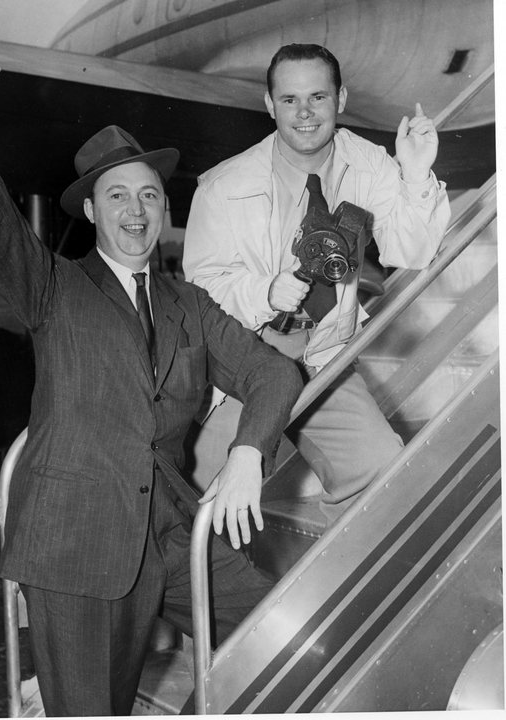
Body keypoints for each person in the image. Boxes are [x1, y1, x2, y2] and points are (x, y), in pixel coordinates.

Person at [0, 24, 303, 717]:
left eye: (150, 196)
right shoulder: (54, 287)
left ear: (165, 210)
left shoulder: (189, 302)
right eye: (118, 196)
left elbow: (273, 373)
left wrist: (246, 453)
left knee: (286, 633)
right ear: (91, 211)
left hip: (174, 533)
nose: (136, 211)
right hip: (77, 540)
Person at [183, 43, 451, 521]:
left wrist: (414, 171)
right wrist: (264, 291)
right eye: (289, 100)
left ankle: (344, 590)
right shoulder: (223, 186)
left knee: (382, 469)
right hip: (242, 354)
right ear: (269, 105)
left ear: (341, 99)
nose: (304, 113)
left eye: (318, 98)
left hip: (321, 351)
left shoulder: (369, 164)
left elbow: (411, 250)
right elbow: (200, 289)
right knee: (194, 495)